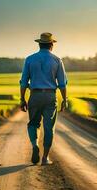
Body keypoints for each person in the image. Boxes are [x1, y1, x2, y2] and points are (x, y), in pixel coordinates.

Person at [19, 32, 67, 165]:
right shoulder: (57, 60)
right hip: (50, 96)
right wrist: (64, 100)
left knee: (33, 123)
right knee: (49, 127)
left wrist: (22, 99)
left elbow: (23, 82)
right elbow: (62, 84)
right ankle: (45, 158)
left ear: (39, 44)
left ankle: (35, 145)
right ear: (51, 45)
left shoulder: (29, 59)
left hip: (35, 94)